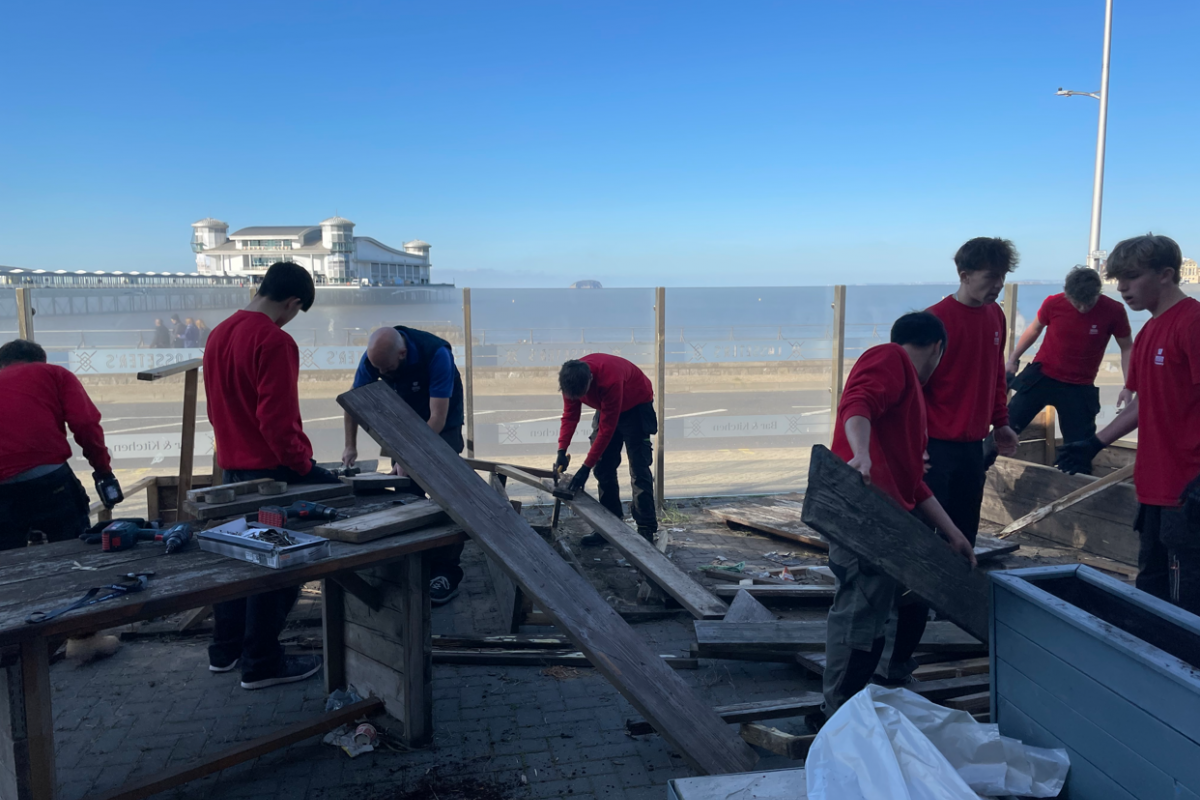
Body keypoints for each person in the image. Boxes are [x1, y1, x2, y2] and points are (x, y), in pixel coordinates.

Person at [810, 313, 976, 729]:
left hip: (887, 521)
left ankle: (845, 710)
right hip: (865, 517)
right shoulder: (890, 359)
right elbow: (857, 404)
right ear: (938, 347)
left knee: (871, 620)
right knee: (858, 618)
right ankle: (836, 718)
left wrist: (953, 534)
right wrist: (860, 454)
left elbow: (913, 484)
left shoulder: (911, 396)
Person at [203, 261, 333, 689]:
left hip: (231, 471)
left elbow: (220, 410)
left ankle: (225, 651)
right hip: (270, 476)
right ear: (293, 302)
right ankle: (261, 663)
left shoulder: (219, 333)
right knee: (276, 568)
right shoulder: (274, 341)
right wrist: (306, 467)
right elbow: (277, 421)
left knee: (235, 560)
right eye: (297, 310)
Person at [1057, 234, 1200, 614]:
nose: (1121, 288)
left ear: (1166, 274)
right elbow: (1145, 403)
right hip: (1154, 487)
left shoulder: (1193, 324)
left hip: (1189, 491)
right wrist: (1095, 442)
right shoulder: (1150, 329)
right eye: (1117, 279)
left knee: (1189, 600)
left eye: (1132, 277)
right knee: (1151, 592)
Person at [342, 325, 467, 605]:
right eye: (378, 369)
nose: (382, 374)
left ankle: (447, 572)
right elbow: (352, 403)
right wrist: (350, 445)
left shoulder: (437, 354)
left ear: (402, 352)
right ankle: (417, 562)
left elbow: (437, 418)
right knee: (406, 492)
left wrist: (409, 458)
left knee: (445, 493)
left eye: (387, 368)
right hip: (405, 421)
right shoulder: (376, 359)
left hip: (441, 422)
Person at [923, 237, 1020, 546]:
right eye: (991, 276)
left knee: (965, 531)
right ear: (964, 275)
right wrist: (913, 442)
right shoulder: (934, 320)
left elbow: (996, 374)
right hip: (933, 444)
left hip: (973, 445)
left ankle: (957, 590)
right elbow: (912, 387)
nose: (999, 285)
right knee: (924, 532)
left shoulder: (996, 316)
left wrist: (1001, 422)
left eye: (1003, 277)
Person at [1004, 267, 1133, 473]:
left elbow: (1127, 347)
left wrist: (1129, 384)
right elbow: (1034, 329)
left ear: (1097, 294)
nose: (1082, 308)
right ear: (1067, 294)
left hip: (1079, 387)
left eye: (1088, 303)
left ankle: (1072, 496)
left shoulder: (1114, 311)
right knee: (1004, 428)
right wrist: (1013, 358)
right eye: (1076, 303)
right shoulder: (1053, 303)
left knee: (1078, 453)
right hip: (1042, 376)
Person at [0, 339, 121, 549]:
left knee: (7, 566)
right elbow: (85, 423)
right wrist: (103, 471)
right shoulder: (55, 374)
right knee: (74, 548)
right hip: (49, 478)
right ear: (41, 361)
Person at [554, 354, 658, 545]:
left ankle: (646, 528)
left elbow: (607, 430)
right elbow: (570, 416)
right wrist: (562, 449)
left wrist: (585, 468)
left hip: (636, 405)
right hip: (606, 405)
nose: (577, 400)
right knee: (603, 468)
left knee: (639, 467)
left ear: (591, 381)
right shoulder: (571, 380)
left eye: (581, 396)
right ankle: (611, 525)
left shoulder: (610, 379)